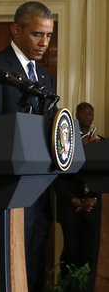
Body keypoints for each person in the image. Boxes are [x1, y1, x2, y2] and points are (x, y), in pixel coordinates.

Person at [0, 1, 56, 292]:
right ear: (16, 30)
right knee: (8, 270)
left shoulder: (44, 76)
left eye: (48, 35)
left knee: (33, 266)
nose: (44, 43)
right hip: (7, 189)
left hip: (40, 187)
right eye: (37, 35)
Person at [53, 102, 103, 291]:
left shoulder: (102, 141)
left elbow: (104, 176)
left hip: (94, 209)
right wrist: (74, 200)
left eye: (92, 112)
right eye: (86, 111)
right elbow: (57, 176)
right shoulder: (65, 142)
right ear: (76, 114)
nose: (89, 115)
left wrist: (95, 199)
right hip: (70, 208)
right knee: (71, 252)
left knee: (92, 253)